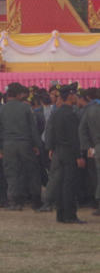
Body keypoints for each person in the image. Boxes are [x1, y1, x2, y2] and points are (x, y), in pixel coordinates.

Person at [0, 83, 41, 210]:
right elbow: (33, 129)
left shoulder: (0, 110)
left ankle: (14, 202)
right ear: (18, 95)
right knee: (31, 172)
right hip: (25, 144)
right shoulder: (26, 108)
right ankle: (35, 200)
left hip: (8, 145)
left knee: (12, 173)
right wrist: (36, 145)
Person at [47, 84, 84, 223]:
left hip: (59, 151)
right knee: (70, 184)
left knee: (60, 183)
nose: (76, 97)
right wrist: (79, 156)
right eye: (74, 94)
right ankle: (70, 215)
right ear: (69, 95)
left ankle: (61, 214)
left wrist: (51, 147)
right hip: (69, 151)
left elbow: (50, 131)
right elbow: (74, 137)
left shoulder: (56, 112)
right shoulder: (71, 114)